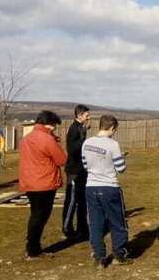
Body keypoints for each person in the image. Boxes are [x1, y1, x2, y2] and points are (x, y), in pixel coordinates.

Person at [82, 115, 130, 269]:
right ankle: (119, 254)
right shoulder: (113, 144)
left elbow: (85, 165)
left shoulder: (87, 142)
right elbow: (121, 169)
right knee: (117, 221)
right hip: (109, 186)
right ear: (113, 128)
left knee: (95, 222)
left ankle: (99, 257)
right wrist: (122, 158)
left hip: (91, 186)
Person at [18, 111, 66, 259]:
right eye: (55, 126)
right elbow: (61, 160)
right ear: (50, 124)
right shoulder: (47, 139)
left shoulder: (26, 139)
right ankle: (33, 249)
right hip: (44, 182)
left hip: (30, 181)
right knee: (40, 216)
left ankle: (32, 246)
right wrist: (56, 142)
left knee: (35, 215)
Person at [62, 104, 91, 240]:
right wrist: (84, 140)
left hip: (82, 170)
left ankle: (82, 228)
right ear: (79, 115)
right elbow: (72, 149)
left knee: (82, 200)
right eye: (87, 115)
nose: (88, 117)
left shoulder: (81, 128)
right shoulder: (73, 129)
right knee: (72, 200)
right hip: (73, 170)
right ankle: (67, 228)